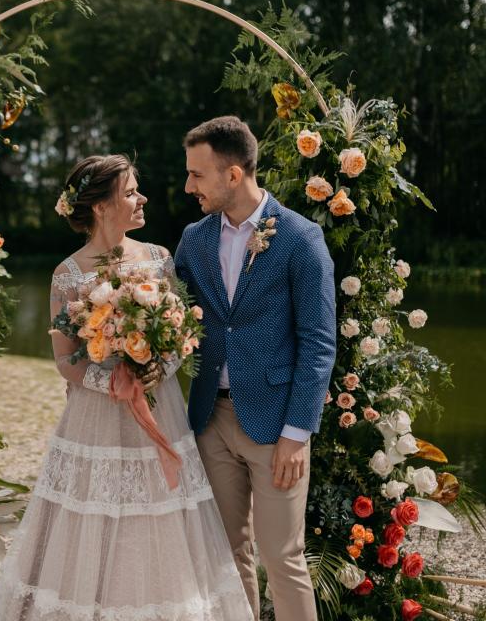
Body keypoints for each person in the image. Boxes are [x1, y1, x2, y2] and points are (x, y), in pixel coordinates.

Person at [0, 154, 254, 621]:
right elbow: (66, 359)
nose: (141, 197)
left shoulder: (158, 258)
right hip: (97, 414)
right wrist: (112, 380)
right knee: (94, 513)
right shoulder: (67, 274)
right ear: (101, 207)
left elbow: (183, 330)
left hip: (160, 406)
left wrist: (158, 369)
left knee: (161, 513)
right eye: (130, 192)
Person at [174, 117, 337, 621]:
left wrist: (296, 432)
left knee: (281, 556)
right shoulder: (193, 239)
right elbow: (172, 316)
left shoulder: (300, 238)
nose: (188, 186)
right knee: (226, 554)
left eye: (197, 175)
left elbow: (318, 344)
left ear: (233, 174)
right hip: (211, 420)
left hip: (276, 427)